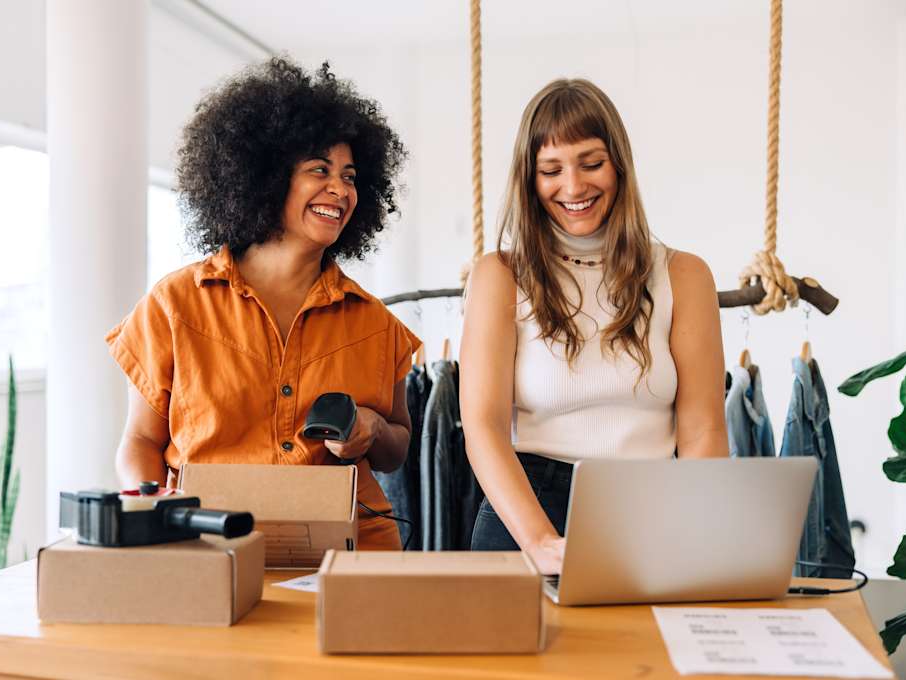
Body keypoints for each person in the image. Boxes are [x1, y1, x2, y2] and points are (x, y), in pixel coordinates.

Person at [107, 58, 416, 550]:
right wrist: (158, 522)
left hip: (348, 552)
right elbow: (142, 442)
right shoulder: (174, 305)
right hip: (209, 546)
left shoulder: (375, 323)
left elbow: (396, 448)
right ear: (267, 177)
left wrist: (373, 428)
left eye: (351, 176)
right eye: (320, 170)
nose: (340, 190)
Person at [460, 78, 727, 573]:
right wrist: (540, 541)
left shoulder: (684, 275)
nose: (574, 186)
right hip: (529, 506)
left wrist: (694, 527)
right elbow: (483, 427)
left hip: (654, 502)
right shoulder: (499, 276)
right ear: (529, 178)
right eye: (551, 170)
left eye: (591, 163)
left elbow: (705, 429)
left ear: (619, 165)